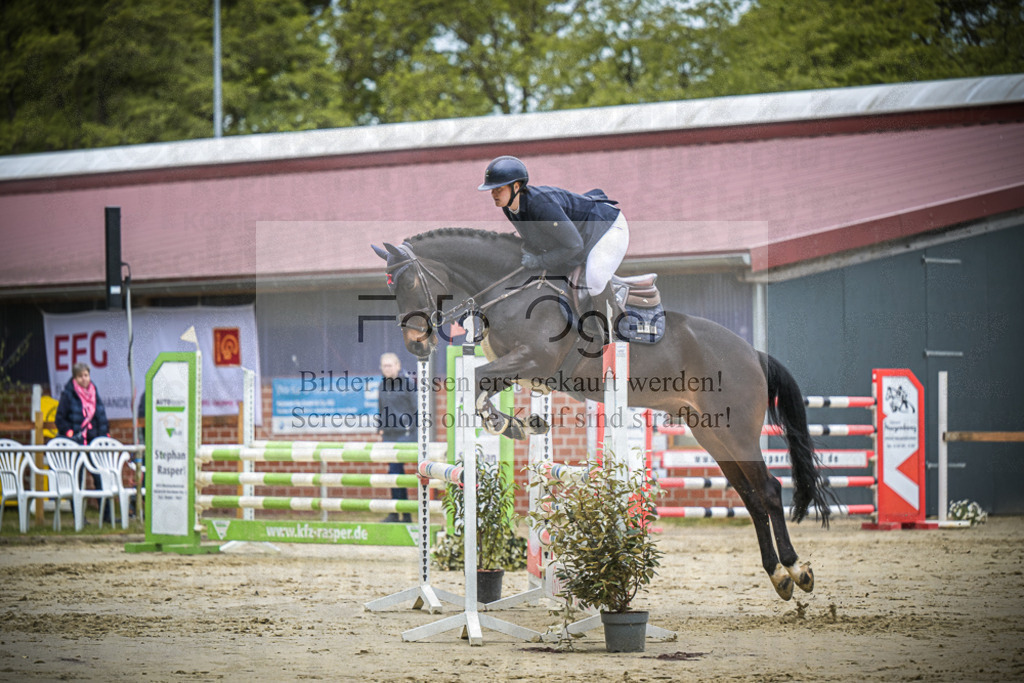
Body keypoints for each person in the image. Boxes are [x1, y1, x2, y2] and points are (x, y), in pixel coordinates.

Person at [477, 154, 629, 339]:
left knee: (595, 281)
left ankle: (614, 334)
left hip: (606, 227)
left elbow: (574, 246)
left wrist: (540, 260)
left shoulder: (541, 205)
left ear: (516, 186)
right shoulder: (509, 207)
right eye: (492, 190)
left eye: (498, 189)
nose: (493, 194)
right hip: (579, 236)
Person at [54, 363, 112, 522]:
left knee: (100, 478)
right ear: (75, 377)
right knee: (77, 480)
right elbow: (59, 419)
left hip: (93, 442)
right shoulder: (68, 394)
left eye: (86, 375)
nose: (84, 379)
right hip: (77, 443)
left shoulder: (94, 391)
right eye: (80, 376)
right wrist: (70, 433)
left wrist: (103, 435)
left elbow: (101, 416)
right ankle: (79, 517)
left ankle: (106, 516)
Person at [377, 352, 416, 523]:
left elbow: (416, 408)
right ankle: (402, 514)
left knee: (394, 471)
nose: (387, 368)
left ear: (398, 366)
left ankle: (399, 513)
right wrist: (380, 428)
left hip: (404, 434)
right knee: (394, 473)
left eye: (390, 365)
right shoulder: (382, 385)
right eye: (384, 365)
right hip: (389, 434)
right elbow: (381, 408)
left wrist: (413, 429)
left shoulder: (408, 383)